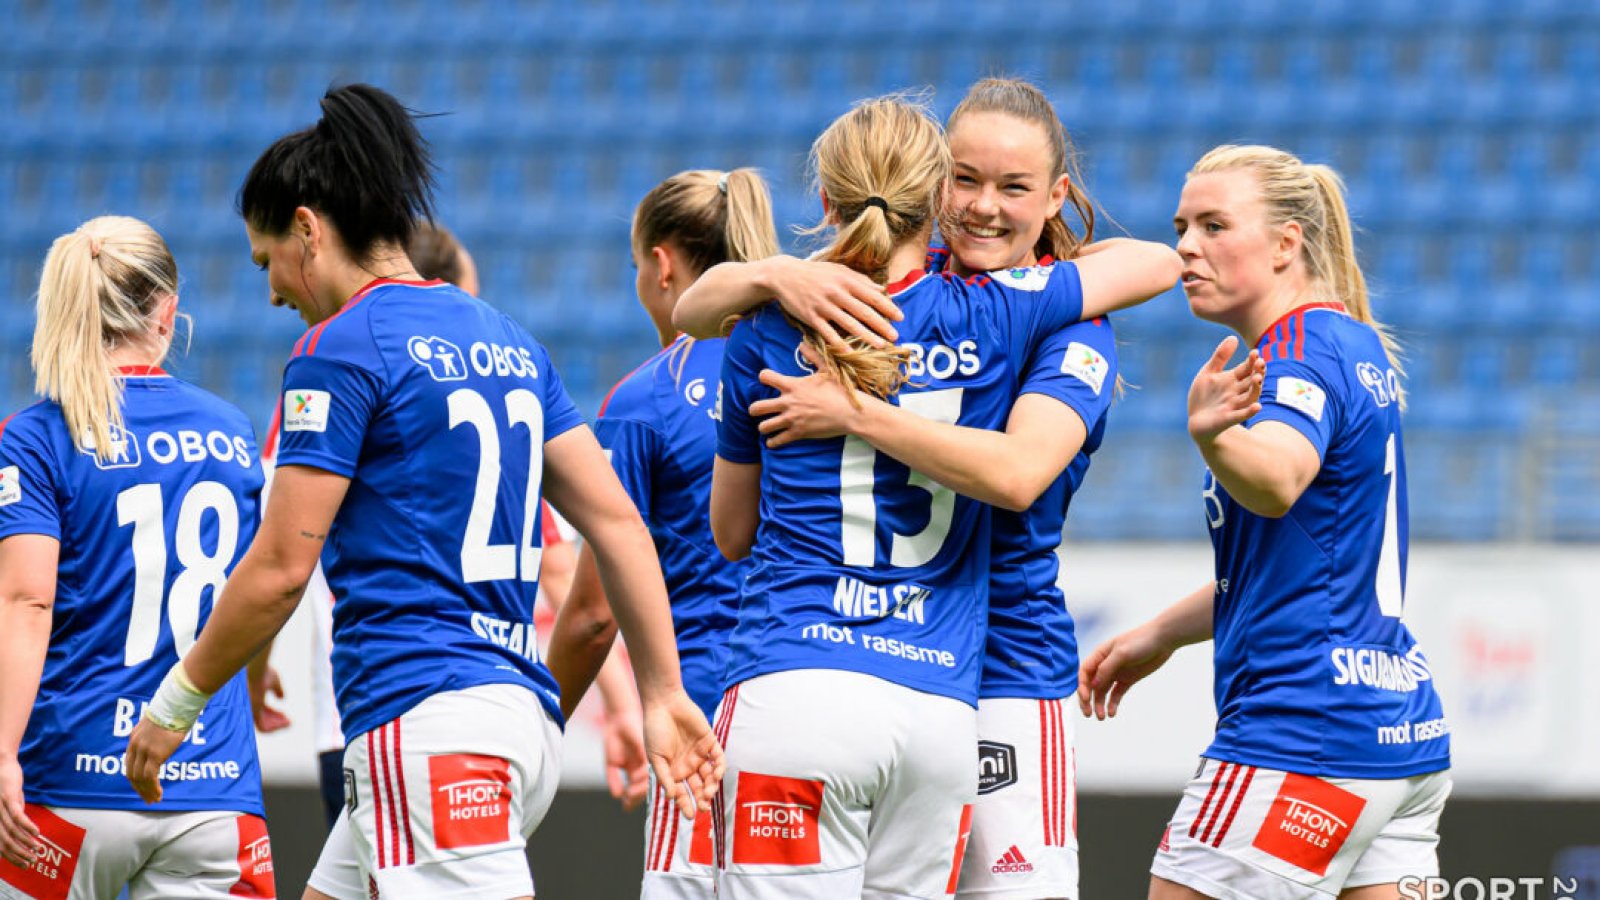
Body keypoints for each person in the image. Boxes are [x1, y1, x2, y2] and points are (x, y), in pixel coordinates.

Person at [120, 84, 722, 900]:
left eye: (267, 262)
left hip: (427, 723)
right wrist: (660, 693)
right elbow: (617, 522)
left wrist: (176, 702)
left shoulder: (340, 349)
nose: (270, 293)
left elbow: (281, 569)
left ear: (308, 228)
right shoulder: (509, 340)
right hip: (513, 720)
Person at [672, 78, 1176, 900]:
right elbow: (703, 304)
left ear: (1056, 197)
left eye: (1013, 189)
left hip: (1005, 666)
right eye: (965, 179)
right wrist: (774, 274)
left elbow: (1017, 475)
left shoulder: (1068, 322)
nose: (983, 207)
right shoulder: (982, 303)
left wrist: (854, 410)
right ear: (929, 184)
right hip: (929, 681)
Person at [1078, 145, 1451, 900]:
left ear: (1287, 244)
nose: (1186, 245)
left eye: (1215, 225)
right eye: (1182, 226)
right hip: (1397, 739)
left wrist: (1215, 438)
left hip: (1299, 740)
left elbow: (1278, 480)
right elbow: (1306, 563)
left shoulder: (1298, 352)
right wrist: (1161, 633)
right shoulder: (1351, 342)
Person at [0, 216, 275, 899]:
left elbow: (27, 601)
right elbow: (257, 592)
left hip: (65, 790)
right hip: (212, 789)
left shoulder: (35, 438)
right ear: (168, 311)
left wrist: (1, 751)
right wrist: (260, 678)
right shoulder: (231, 433)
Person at [543, 166, 781, 900]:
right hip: (823, 704)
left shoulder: (648, 397)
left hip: (704, 725)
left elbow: (590, 616)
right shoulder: (817, 362)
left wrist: (537, 727)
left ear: (661, 263)